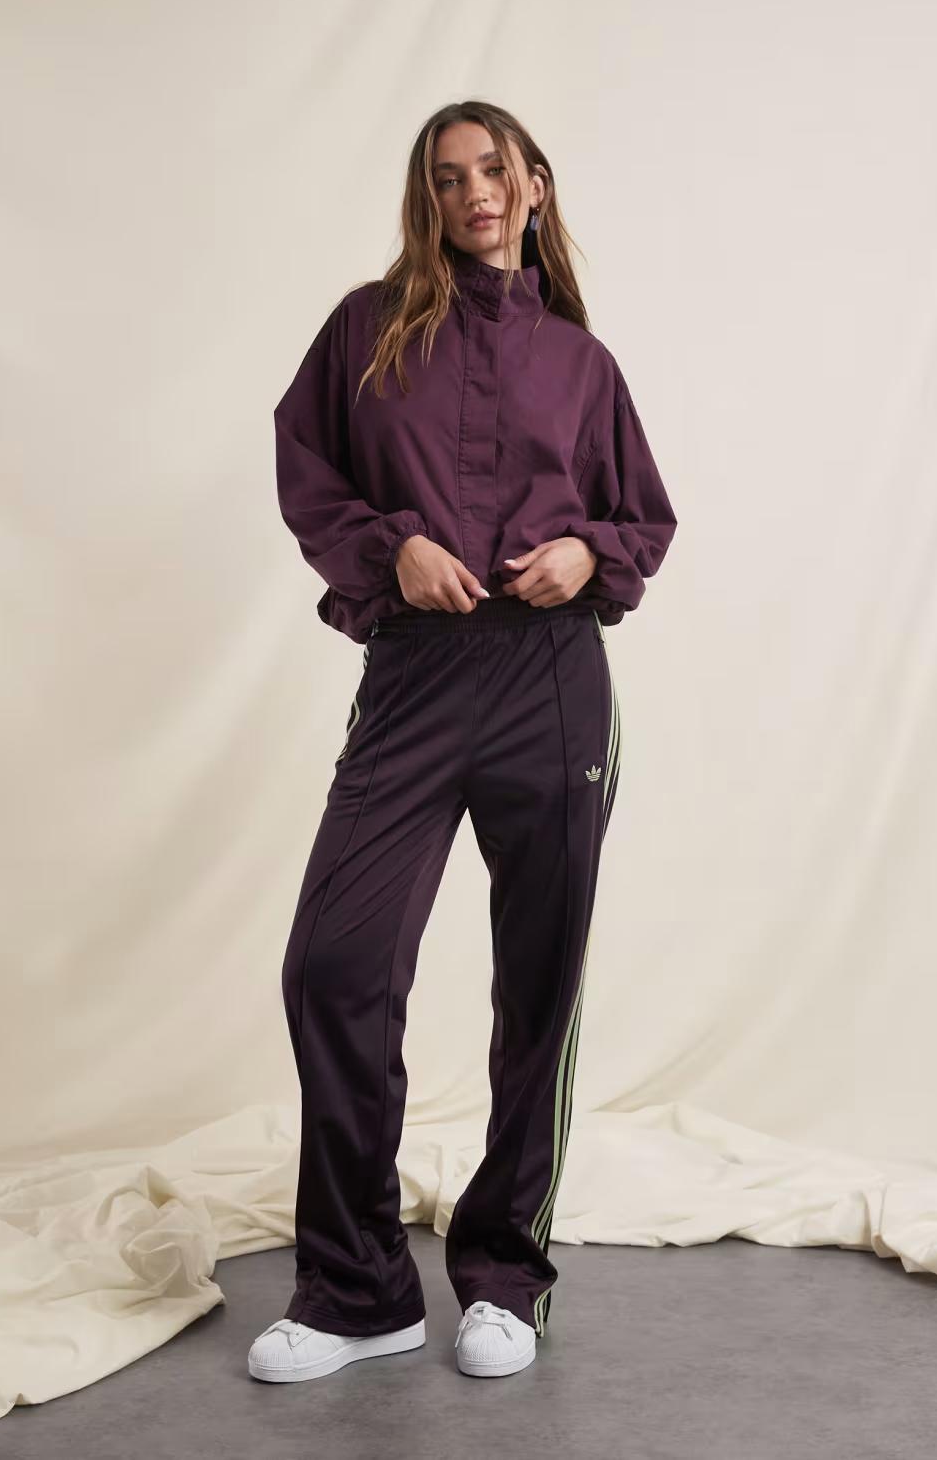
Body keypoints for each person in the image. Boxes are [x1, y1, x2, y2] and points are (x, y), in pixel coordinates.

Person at [249, 99, 677, 1384]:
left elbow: (643, 520)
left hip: (553, 683)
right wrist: (393, 551)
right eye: (448, 178)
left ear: (535, 183)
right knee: (334, 964)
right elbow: (308, 470)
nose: (475, 192)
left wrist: (585, 552)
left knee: (537, 987)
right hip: (416, 679)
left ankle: (504, 1274)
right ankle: (356, 1289)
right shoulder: (366, 330)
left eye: (494, 169)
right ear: (425, 200)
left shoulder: (583, 363)